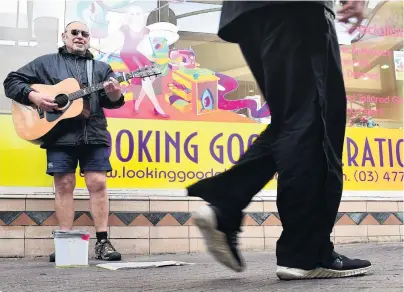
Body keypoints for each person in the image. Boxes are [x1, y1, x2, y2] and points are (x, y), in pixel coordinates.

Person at [187, 0, 372, 280]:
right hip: (298, 7)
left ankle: (226, 206)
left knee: (295, 119)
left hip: (245, 13)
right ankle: (305, 254)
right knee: (316, 121)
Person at [3, 21, 124, 262]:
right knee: (64, 185)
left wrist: (114, 91)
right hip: (60, 136)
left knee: (97, 182)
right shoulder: (46, 63)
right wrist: (34, 96)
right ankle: (66, 242)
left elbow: (114, 100)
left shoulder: (101, 68)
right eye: (75, 33)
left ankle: (102, 242)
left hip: (95, 132)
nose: (80, 37)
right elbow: (11, 81)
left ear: (89, 39)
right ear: (64, 36)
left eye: (85, 34)